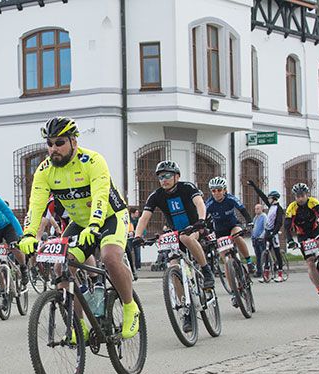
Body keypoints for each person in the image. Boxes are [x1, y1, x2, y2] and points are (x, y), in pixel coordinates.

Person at [18, 116, 140, 339]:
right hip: (81, 222)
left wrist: (94, 225)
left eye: (60, 142)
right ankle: (78, 325)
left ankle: (130, 306)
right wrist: (28, 234)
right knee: (61, 268)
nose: (53, 148)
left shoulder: (93, 161)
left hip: (111, 216)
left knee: (110, 258)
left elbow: (100, 195)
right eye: (50, 143)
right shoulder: (44, 170)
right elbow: (36, 205)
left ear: (74, 141)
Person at [133, 160, 213, 332]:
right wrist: (137, 236)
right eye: (161, 177)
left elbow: (200, 203)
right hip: (175, 233)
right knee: (173, 267)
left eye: (168, 175)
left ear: (177, 176)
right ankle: (186, 310)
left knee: (185, 238)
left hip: (194, 228)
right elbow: (144, 217)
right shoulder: (156, 195)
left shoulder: (187, 187)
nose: (164, 180)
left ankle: (206, 271)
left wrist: (201, 220)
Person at [284, 183, 319, 305]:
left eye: (302, 196)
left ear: (307, 195)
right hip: (302, 234)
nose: (300, 199)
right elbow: (287, 227)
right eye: (298, 196)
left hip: (315, 230)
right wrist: (290, 240)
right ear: (295, 197)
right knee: (310, 263)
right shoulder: (291, 208)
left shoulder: (313, 202)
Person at [205, 176, 255, 275]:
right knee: (226, 261)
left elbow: (243, 210)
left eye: (219, 190)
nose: (216, 193)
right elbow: (203, 218)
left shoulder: (230, 199)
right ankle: (232, 284)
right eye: (213, 191)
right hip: (219, 231)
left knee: (237, 236)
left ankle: (249, 262)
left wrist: (249, 222)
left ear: (224, 190)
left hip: (233, 226)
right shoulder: (209, 203)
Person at [251, 203, 266, 274]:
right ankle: (259, 271)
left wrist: (261, 236)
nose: (256, 210)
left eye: (258, 209)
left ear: (262, 209)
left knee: (263, 255)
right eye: (255, 209)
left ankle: (265, 269)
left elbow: (265, 228)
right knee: (258, 256)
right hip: (255, 239)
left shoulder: (264, 216)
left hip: (261, 239)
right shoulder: (255, 218)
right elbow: (253, 228)